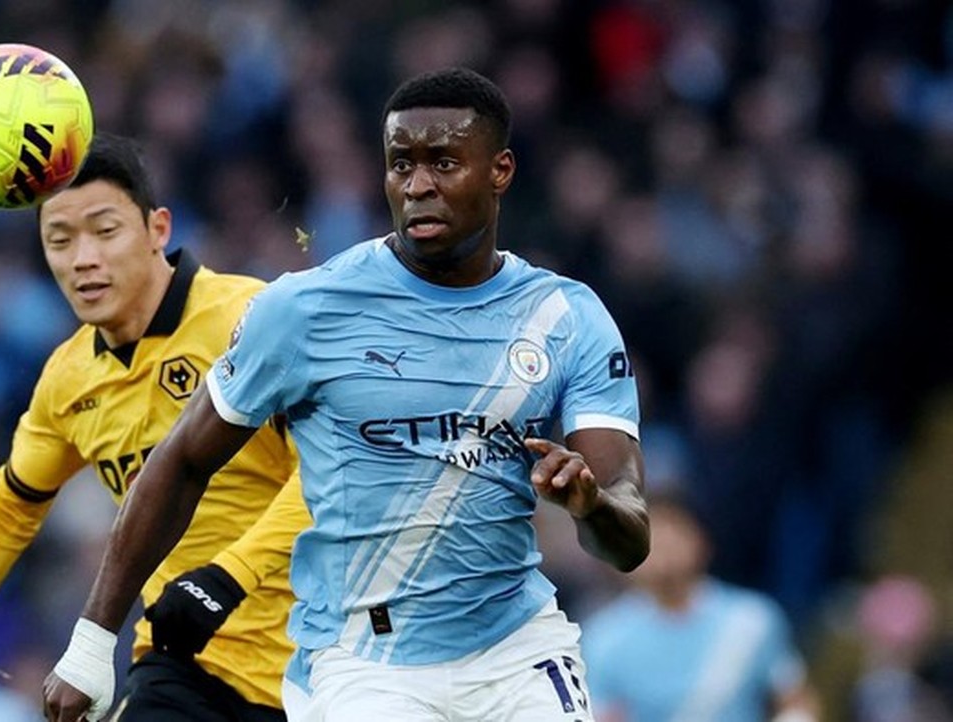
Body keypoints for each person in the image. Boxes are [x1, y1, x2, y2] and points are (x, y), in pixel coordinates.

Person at [44, 67, 651, 722]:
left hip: (517, 649)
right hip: (363, 660)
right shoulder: (305, 310)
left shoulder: (566, 317)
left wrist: (590, 503)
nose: (418, 185)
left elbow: (628, 538)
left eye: (444, 162)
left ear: (500, 170)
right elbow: (183, 459)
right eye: (401, 165)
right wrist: (90, 642)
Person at [0, 132, 308, 722]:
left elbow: (333, 473)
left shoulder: (250, 318)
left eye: (104, 231)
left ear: (158, 230)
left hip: (324, 665)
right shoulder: (68, 379)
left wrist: (230, 573)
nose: (82, 258)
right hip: (185, 668)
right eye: (59, 240)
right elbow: (7, 510)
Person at [581, 493, 819, 722]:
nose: (663, 549)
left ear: (701, 541)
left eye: (673, 533)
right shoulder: (603, 637)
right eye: (651, 538)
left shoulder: (753, 619)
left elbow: (795, 700)